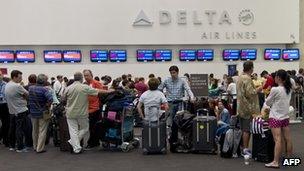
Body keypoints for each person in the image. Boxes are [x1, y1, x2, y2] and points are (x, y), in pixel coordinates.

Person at [62, 72, 112, 154]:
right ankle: (74, 143)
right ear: (81, 78)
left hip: (70, 112)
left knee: (73, 130)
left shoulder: (68, 88)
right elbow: (98, 91)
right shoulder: (84, 87)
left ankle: (76, 147)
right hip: (82, 113)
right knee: (85, 128)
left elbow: (63, 100)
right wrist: (109, 91)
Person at [158, 66, 195, 152]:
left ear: (177, 72)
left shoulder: (183, 80)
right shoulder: (166, 80)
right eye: (171, 73)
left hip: (179, 104)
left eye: (174, 73)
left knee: (179, 123)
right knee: (170, 123)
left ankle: (178, 141)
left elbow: (188, 89)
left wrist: (192, 97)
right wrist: (162, 99)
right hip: (170, 104)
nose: (172, 74)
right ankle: (172, 141)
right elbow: (159, 90)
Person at [264, 70, 293, 169]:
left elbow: (267, 103)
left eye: (275, 76)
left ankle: (275, 162)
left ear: (279, 78)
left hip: (275, 117)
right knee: (287, 139)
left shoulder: (275, 89)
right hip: (285, 116)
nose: (274, 78)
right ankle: (289, 159)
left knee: (277, 140)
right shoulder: (288, 88)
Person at [237, 61, 262, 158]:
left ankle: (243, 147)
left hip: (241, 107)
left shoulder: (240, 77)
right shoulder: (247, 78)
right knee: (247, 130)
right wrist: (258, 89)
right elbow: (250, 93)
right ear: (251, 68)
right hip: (248, 108)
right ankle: (245, 149)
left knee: (243, 129)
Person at [5, 70, 30, 153]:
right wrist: (23, 97)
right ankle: (20, 147)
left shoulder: (7, 85)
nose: (21, 79)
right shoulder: (17, 86)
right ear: (14, 77)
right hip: (20, 110)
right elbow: (27, 94)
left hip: (12, 110)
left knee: (12, 129)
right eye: (20, 77)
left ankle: (12, 145)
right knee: (20, 129)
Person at [28, 74, 53, 153]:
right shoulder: (45, 90)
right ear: (45, 81)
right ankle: (40, 148)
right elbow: (51, 99)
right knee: (42, 131)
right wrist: (46, 105)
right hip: (43, 113)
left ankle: (35, 146)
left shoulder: (30, 88)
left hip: (33, 113)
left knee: (34, 130)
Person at [83, 70, 104, 149]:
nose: (86, 77)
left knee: (93, 127)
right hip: (87, 108)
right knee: (91, 127)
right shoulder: (85, 84)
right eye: (84, 75)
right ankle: (94, 142)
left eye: (87, 75)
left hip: (95, 108)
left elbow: (101, 94)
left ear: (91, 75)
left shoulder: (96, 83)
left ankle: (92, 142)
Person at [0, 70, 10, 147]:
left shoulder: (6, 84)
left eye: (0, 75)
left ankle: (6, 140)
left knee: (6, 124)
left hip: (4, 105)